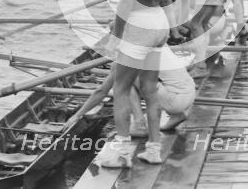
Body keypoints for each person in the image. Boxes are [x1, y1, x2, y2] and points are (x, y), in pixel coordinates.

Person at [102, 0, 175, 167]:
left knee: (120, 90)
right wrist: (173, 27)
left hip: (139, 26)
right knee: (150, 90)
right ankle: (153, 150)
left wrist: (116, 35)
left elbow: (126, 3)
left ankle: (122, 155)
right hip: (159, 23)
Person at [66, 45, 196, 138]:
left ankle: (139, 124)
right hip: (190, 94)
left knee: (122, 82)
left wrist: (77, 114)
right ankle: (178, 116)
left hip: (175, 101)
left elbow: (101, 91)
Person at [170, 0, 228, 78]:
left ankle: (200, 67)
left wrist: (175, 30)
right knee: (202, 25)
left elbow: (163, 3)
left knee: (196, 25)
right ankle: (200, 62)